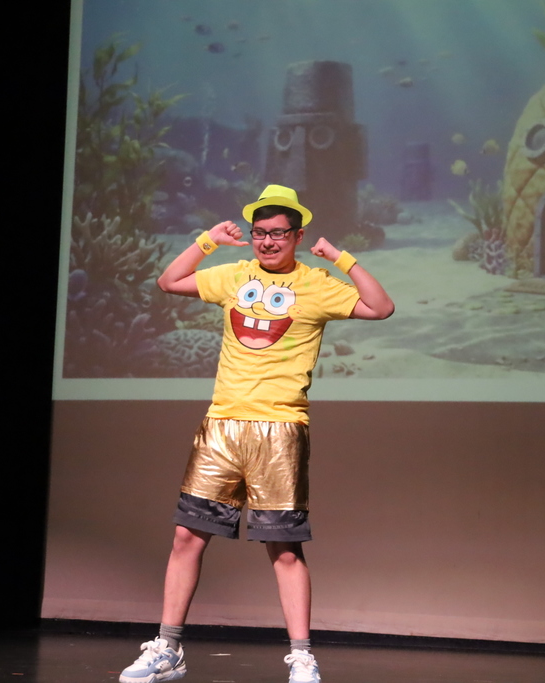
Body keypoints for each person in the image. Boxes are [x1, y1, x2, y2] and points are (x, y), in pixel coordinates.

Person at [120, 185, 394, 683]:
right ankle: (168, 649)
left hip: (280, 429)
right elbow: (168, 280)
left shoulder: (316, 282)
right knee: (186, 536)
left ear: (297, 236)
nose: (267, 242)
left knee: (284, 548)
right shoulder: (233, 276)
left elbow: (381, 307)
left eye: (277, 234)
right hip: (222, 425)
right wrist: (207, 242)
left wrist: (340, 257)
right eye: (259, 233)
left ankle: (303, 655)